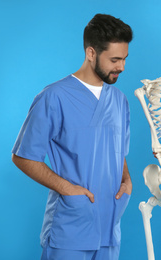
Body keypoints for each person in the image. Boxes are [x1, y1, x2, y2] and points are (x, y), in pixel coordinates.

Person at [11, 14, 133, 260]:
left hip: (110, 227)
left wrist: (126, 181)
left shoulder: (119, 100)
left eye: (124, 59)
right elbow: (23, 156)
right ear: (91, 53)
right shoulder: (53, 97)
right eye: (115, 59)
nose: (121, 67)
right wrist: (66, 188)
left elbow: (118, 151)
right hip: (71, 226)